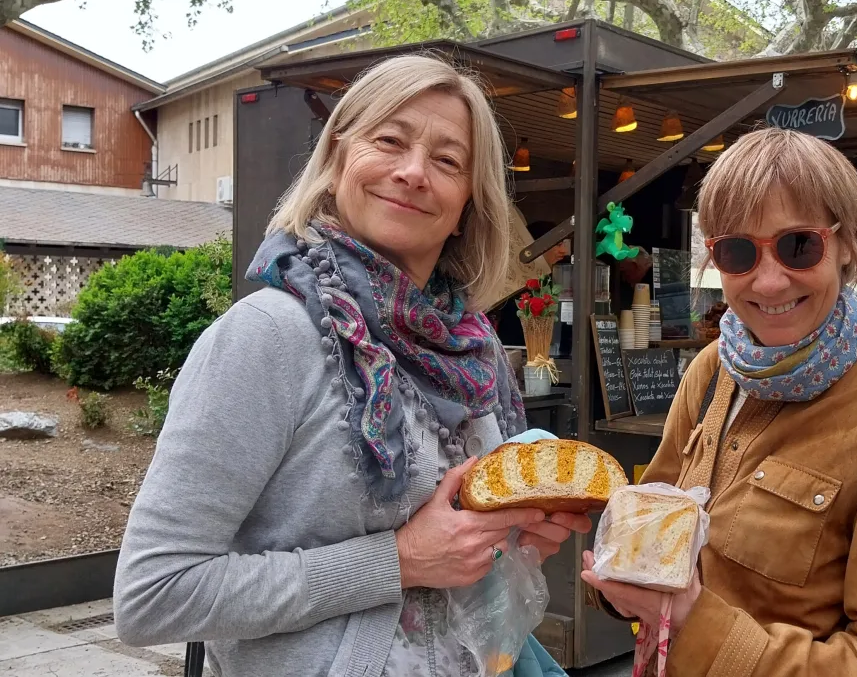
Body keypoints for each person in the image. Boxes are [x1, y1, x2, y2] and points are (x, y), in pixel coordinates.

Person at [113, 55, 590, 677]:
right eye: (388, 140)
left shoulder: (474, 352)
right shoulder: (267, 338)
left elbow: (453, 554)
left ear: (469, 200)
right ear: (337, 160)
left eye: (448, 161)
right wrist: (397, 560)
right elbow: (152, 595)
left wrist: (506, 539)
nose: (414, 172)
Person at [580, 128, 857, 677]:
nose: (768, 281)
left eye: (798, 245)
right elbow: (654, 524)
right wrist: (617, 579)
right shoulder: (713, 371)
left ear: (847, 244)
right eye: (738, 251)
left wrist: (696, 621)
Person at [494, 220, 568, 347]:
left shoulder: (557, 278)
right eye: (558, 245)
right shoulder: (514, 283)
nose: (564, 251)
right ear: (537, 247)